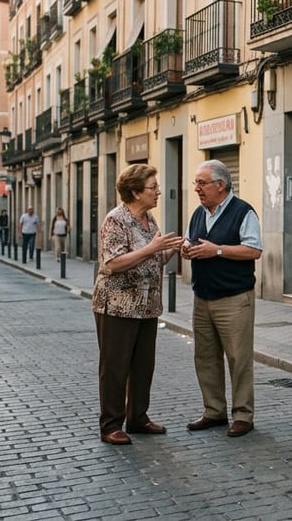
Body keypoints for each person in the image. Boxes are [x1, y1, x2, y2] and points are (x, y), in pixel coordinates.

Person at [91, 164, 184, 445]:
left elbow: (151, 259)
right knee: (115, 366)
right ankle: (110, 425)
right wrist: (151, 249)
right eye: (152, 187)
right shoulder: (115, 220)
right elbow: (113, 262)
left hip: (146, 306)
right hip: (117, 305)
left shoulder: (148, 219)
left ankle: (138, 418)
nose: (158, 191)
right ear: (135, 192)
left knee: (144, 365)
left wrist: (172, 249)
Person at [181, 160, 263, 438]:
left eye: (201, 183)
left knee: (238, 358)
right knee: (205, 357)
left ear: (221, 185)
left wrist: (217, 251)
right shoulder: (198, 213)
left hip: (234, 298)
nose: (197, 188)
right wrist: (187, 248)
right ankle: (214, 411)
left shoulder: (244, 212)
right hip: (202, 296)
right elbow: (194, 241)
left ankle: (243, 415)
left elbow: (253, 250)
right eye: (196, 183)